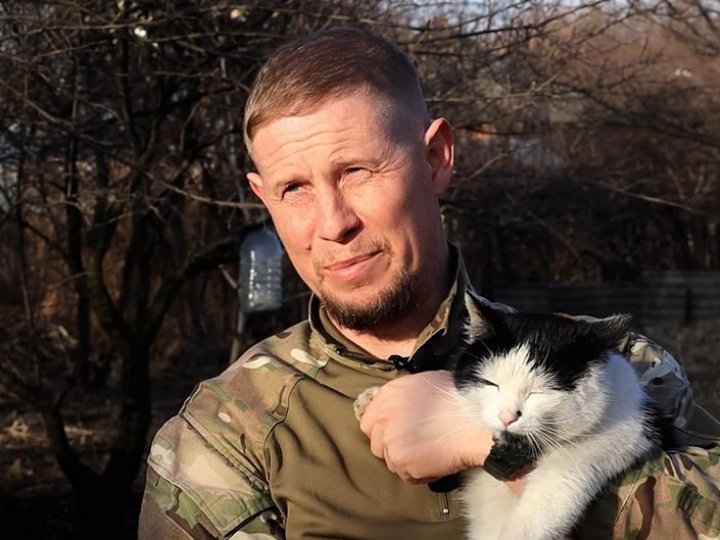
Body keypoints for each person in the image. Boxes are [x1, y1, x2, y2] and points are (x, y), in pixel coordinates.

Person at [139, 27, 720, 539]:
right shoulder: (228, 431)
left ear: (437, 157)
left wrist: (502, 450)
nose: (333, 224)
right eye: (294, 189)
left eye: (357, 171)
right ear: (264, 198)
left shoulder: (615, 364)